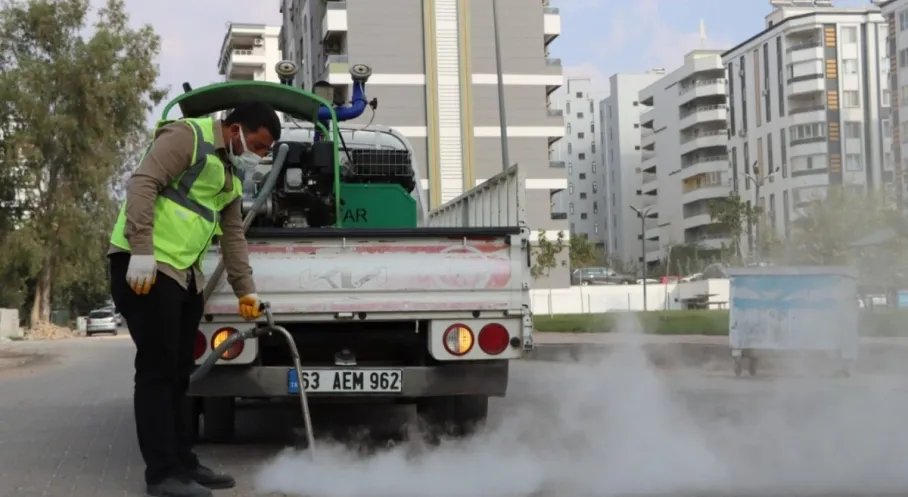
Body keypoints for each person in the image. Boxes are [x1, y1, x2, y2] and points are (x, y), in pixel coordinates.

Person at [108, 101, 281, 497]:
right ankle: (161, 475)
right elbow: (142, 183)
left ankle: (183, 463)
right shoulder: (187, 136)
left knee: (180, 373)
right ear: (235, 129)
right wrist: (141, 250)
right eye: (257, 145)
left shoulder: (230, 176)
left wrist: (246, 290)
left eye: (265, 150)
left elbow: (233, 235)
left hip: (183, 277)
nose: (259, 155)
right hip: (145, 268)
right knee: (157, 372)